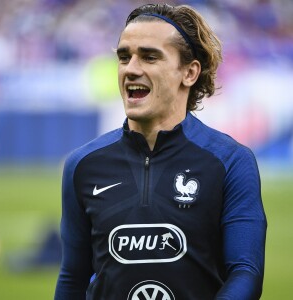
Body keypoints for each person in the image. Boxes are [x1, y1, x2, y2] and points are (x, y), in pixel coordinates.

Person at [54, 3, 267, 300]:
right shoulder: (82, 165)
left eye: (149, 57)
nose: (131, 69)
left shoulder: (230, 162)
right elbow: (72, 280)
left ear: (189, 73)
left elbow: (245, 272)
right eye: (124, 57)